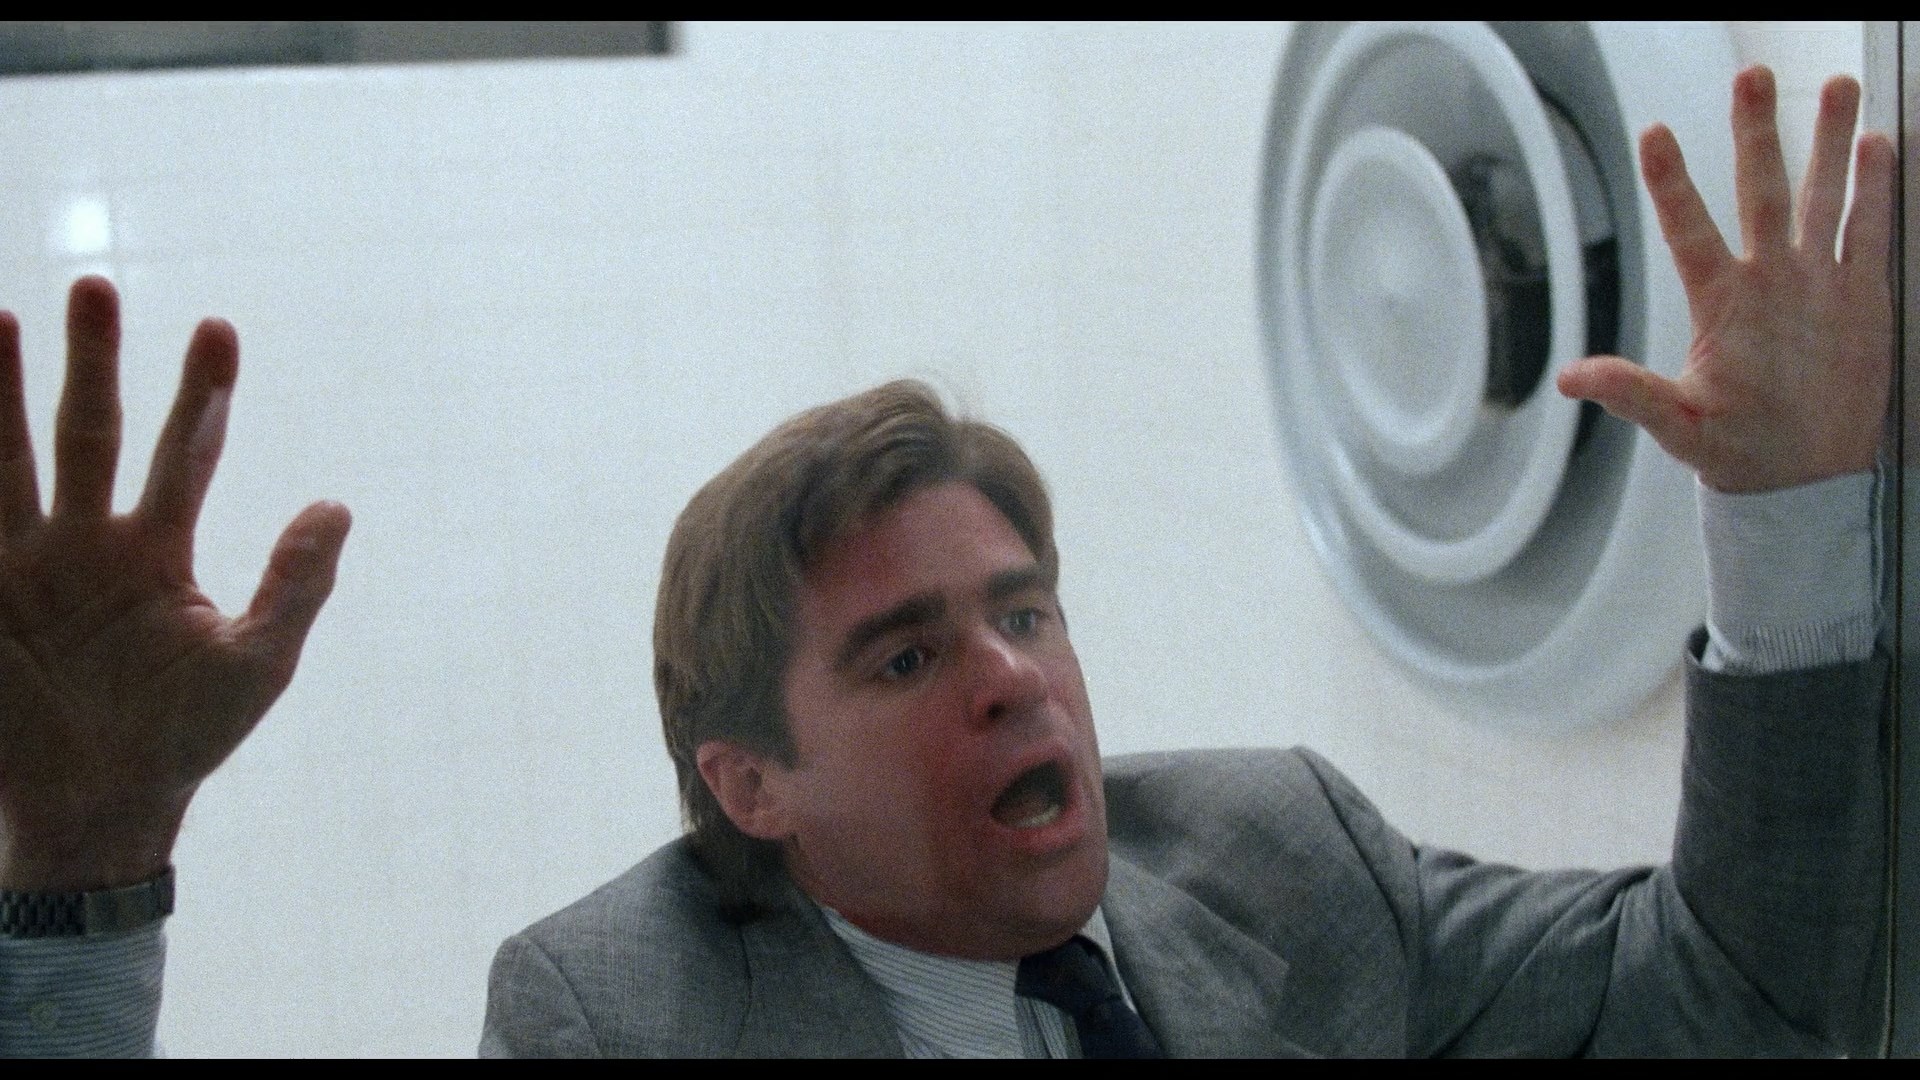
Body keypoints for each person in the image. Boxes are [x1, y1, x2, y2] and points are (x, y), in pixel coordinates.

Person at [0, 64, 1896, 1056]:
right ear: (751, 784)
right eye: (904, 656)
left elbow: (1748, 1004)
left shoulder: (1285, 855)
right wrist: (82, 870)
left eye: (1024, 611)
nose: (1012, 675)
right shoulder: (619, 1020)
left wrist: (1788, 519)